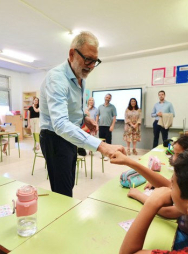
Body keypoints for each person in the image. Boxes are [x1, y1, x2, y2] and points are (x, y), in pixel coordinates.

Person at [39, 31, 125, 197]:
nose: (91, 66)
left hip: (70, 134)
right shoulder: (56, 79)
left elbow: (71, 107)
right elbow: (60, 124)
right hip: (55, 137)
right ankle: (62, 220)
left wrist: (84, 118)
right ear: (72, 53)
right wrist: (102, 146)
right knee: (62, 190)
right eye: (88, 59)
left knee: (69, 181)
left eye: (95, 61)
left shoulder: (80, 76)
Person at [115, 134, 188, 250]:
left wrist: (142, 197)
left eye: (178, 154)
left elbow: (167, 212)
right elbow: (169, 185)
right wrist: (131, 163)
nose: (173, 158)